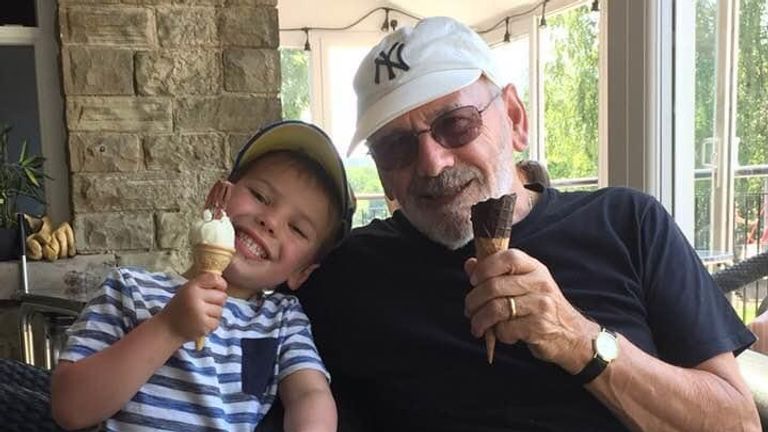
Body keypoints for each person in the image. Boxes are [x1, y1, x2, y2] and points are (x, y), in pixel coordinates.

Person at [298, 17, 761, 431]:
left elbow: (738, 423)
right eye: (396, 147)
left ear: (515, 118)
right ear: (383, 175)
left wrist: (576, 339)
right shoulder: (349, 272)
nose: (433, 163)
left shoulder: (627, 223)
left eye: (455, 125)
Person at [51, 121, 355, 432]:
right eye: (261, 196)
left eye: (297, 228)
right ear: (217, 197)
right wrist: (168, 327)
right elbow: (70, 408)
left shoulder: (281, 321)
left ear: (302, 273)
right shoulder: (129, 288)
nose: (270, 221)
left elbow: (310, 394)